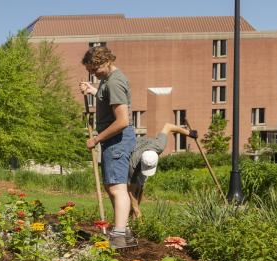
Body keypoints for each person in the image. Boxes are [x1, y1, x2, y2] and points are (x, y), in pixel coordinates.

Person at [79, 46, 136, 249]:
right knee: (111, 185)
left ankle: (119, 235)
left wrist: (96, 139)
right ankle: (124, 231)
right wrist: (93, 90)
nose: (93, 74)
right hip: (113, 141)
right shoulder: (107, 80)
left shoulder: (114, 82)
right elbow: (106, 97)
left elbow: (122, 121)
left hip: (118, 139)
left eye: (94, 70)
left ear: (104, 62)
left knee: (117, 187)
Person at [127, 123, 198, 219]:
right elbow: (130, 190)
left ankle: (134, 215)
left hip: (142, 155)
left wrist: (189, 133)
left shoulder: (159, 146)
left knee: (141, 186)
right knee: (133, 189)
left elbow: (168, 126)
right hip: (130, 157)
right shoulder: (133, 165)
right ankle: (130, 217)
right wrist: (136, 210)